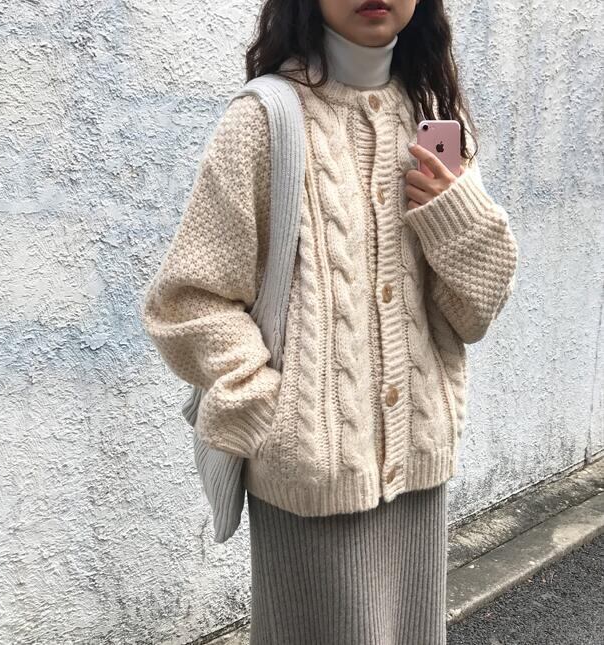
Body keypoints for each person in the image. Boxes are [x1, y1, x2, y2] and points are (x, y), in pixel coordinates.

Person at [141, 0, 519, 643]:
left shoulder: (434, 119)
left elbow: (471, 314)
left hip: (420, 476)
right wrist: (271, 410)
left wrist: (456, 217)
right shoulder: (265, 121)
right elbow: (187, 299)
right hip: (307, 481)